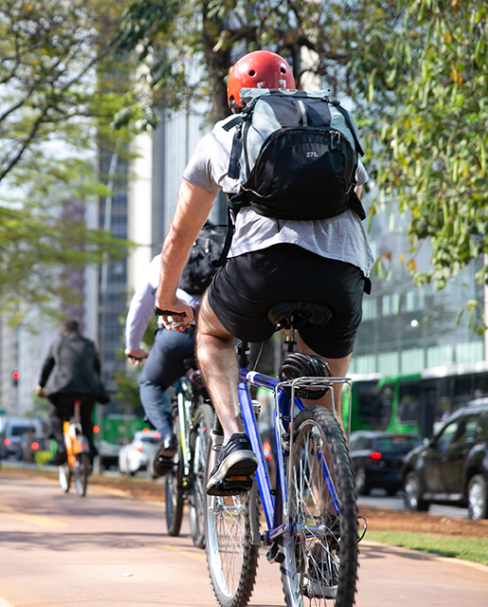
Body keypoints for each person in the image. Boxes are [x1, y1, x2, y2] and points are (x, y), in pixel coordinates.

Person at [155, 50, 372, 496]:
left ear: (236, 97)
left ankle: (234, 438)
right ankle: (330, 519)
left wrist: (167, 297)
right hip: (343, 272)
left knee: (213, 336)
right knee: (327, 391)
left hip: (262, 268)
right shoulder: (331, 122)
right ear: (291, 89)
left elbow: (181, 233)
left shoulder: (226, 133)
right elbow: (355, 192)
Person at [125, 253, 201, 476]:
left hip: (175, 334)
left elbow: (141, 305)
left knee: (150, 383)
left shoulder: (164, 258)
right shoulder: (222, 250)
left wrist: (133, 346)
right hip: (216, 336)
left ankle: (168, 436)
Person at [36, 318, 107, 467]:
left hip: (62, 388)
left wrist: (41, 386)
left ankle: (61, 445)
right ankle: (90, 450)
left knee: (55, 415)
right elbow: (97, 366)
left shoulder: (58, 344)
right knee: (86, 421)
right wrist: (95, 383)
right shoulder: (89, 344)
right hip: (88, 389)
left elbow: (48, 365)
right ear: (79, 330)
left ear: (63, 332)